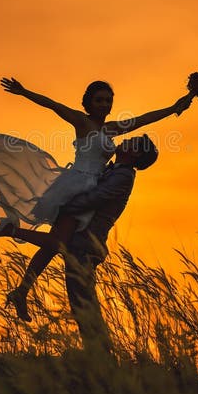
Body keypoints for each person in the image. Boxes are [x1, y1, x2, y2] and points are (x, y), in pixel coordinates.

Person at [0, 76, 198, 318]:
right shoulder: (81, 121)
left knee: (55, 244)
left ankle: (21, 291)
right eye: (99, 100)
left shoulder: (111, 129)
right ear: (88, 103)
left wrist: (174, 107)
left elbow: (143, 119)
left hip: (92, 186)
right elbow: (53, 105)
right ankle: (9, 233)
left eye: (108, 100)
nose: (104, 104)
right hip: (76, 184)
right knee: (58, 243)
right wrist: (25, 92)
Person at [52, 133, 159, 353]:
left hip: (87, 244)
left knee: (83, 303)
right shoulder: (115, 170)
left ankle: (101, 357)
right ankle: (99, 356)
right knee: (81, 302)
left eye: (132, 141)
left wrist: (61, 206)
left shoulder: (123, 176)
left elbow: (95, 198)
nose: (126, 140)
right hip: (83, 242)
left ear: (135, 152)